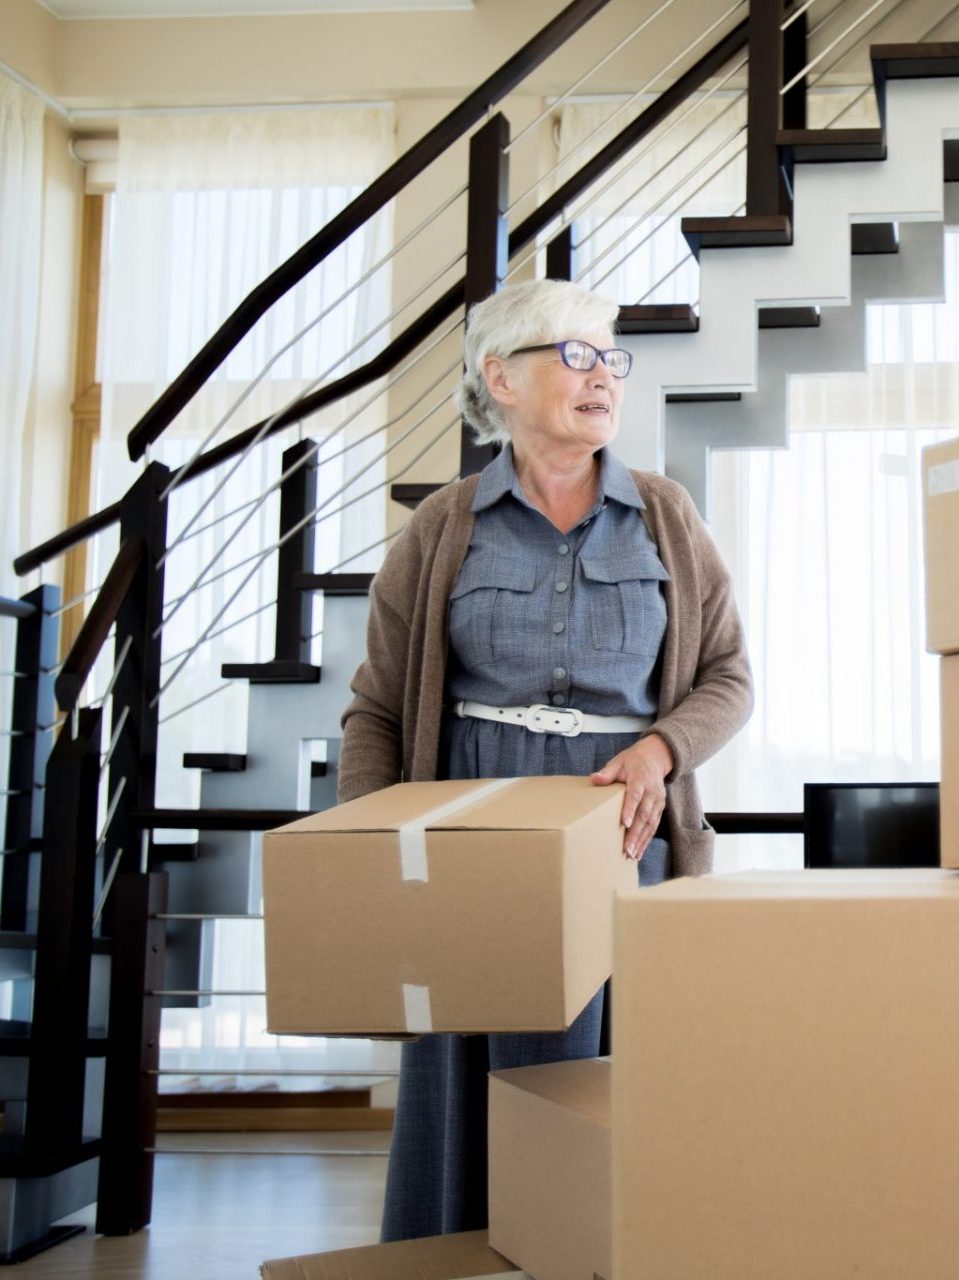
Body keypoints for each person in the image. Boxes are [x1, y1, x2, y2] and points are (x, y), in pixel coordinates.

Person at [336, 276, 752, 1240]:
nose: (602, 374)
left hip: (622, 835)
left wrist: (659, 751)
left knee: (598, 1083)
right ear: (502, 379)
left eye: (610, 356)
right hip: (468, 840)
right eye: (574, 354)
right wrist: (370, 849)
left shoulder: (664, 515)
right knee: (466, 1084)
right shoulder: (442, 526)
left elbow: (728, 676)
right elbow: (377, 708)